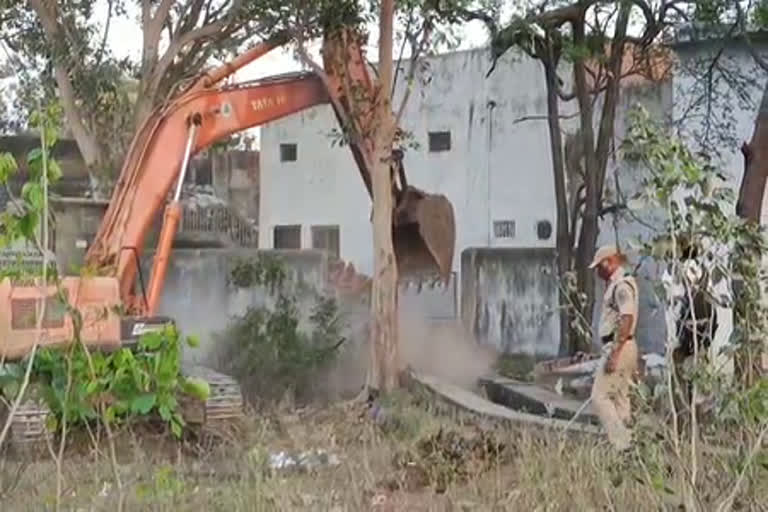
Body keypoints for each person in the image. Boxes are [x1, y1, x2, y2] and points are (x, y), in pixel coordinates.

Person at [589, 244, 639, 451]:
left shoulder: (621, 286)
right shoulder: (621, 283)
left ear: (608, 263)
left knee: (599, 397)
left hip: (619, 345)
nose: (597, 273)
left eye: (598, 267)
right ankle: (629, 445)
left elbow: (626, 318)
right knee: (620, 398)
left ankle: (622, 444)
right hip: (626, 345)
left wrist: (615, 353)